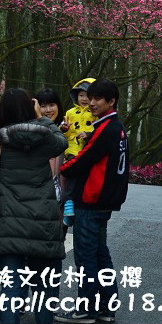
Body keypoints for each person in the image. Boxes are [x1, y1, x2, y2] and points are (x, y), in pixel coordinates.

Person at [0, 87, 67, 324]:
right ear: (32, 108)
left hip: (9, 225)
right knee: (45, 290)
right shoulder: (46, 138)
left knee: (11, 290)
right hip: (44, 225)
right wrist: (38, 117)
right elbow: (62, 141)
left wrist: (4, 110)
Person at [55, 78, 129, 324]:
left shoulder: (105, 129)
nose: (93, 102)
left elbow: (82, 160)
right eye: (91, 97)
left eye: (98, 98)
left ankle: (86, 309)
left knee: (86, 257)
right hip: (104, 202)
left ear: (112, 101)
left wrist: (60, 169)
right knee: (100, 255)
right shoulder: (117, 128)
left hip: (91, 200)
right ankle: (107, 307)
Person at [59, 78, 96, 225]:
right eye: (81, 95)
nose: (84, 99)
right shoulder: (70, 112)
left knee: (81, 179)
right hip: (72, 149)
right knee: (71, 175)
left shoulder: (95, 114)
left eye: (87, 95)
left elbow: (99, 131)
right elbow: (66, 133)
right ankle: (69, 203)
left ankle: (75, 202)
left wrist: (88, 135)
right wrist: (65, 130)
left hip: (87, 150)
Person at [34, 88, 66, 208]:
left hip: (62, 195)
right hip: (38, 194)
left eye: (52, 105)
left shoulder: (67, 129)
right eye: (43, 106)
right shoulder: (32, 130)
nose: (48, 110)